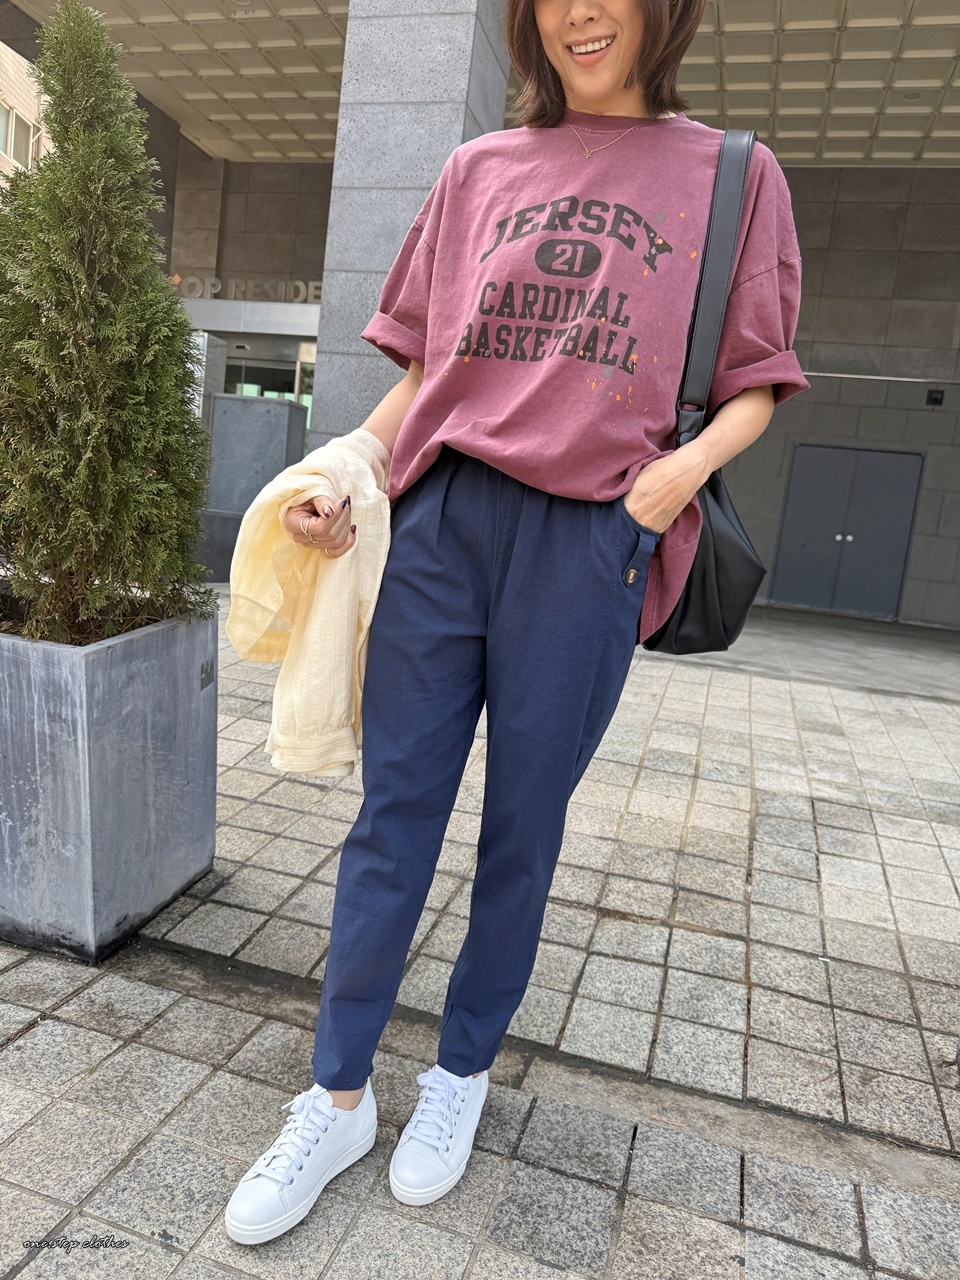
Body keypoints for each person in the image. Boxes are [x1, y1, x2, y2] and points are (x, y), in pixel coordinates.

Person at [225, 0, 808, 1245]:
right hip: (445, 522)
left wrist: (677, 476)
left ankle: (460, 1072)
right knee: (393, 819)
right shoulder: (478, 167)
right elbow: (427, 371)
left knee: (522, 831)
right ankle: (336, 1096)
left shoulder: (734, 174)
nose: (578, 12)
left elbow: (759, 380)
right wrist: (351, 469)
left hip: (592, 537)